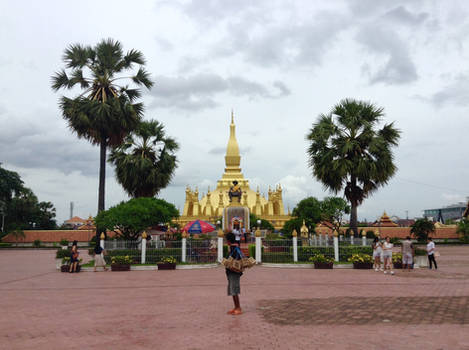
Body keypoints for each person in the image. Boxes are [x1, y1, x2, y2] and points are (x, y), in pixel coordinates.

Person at [225, 232, 243, 315]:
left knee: (234, 290)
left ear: (228, 241)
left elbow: (237, 261)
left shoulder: (235, 249)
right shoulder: (233, 248)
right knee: (232, 290)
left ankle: (238, 308)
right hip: (230, 272)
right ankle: (235, 307)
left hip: (234, 273)